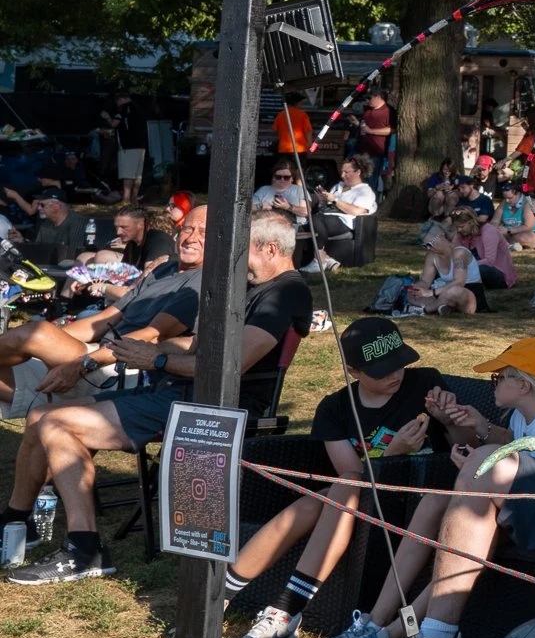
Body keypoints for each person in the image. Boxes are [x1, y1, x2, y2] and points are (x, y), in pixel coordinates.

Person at [5, 211, 308, 585]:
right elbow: (198, 346)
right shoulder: (245, 287)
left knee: (56, 422)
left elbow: (230, 366)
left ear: (271, 249)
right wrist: (151, 350)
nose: (229, 256)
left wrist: (158, 357)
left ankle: (85, 549)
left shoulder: (285, 294)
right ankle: (17, 522)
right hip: (180, 392)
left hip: (213, 410)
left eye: (238, 248)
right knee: (40, 418)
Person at [344, 337, 535, 638]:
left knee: (466, 516)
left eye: (498, 379)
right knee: (433, 501)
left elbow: (533, 486)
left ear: (522, 384)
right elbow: (512, 449)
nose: (491, 384)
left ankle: (400, 631)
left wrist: (476, 463)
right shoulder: (530, 416)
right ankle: (383, 621)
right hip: (530, 510)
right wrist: (479, 427)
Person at [217, 318, 462, 638]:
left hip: (410, 505)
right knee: (335, 491)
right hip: (354, 502)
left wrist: (448, 418)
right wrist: (392, 451)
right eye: (381, 371)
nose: (395, 375)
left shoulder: (425, 382)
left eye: (400, 364)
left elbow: (460, 448)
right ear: (353, 370)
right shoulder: (335, 408)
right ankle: (228, 602)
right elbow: (352, 473)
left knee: (330, 494)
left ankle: (268, 610)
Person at [0, 205, 205, 406]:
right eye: (188, 228)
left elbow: (152, 335)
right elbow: (103, 320)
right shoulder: (164, 269)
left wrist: (83, 363)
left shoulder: (200, 279)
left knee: (35, 334)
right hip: (100, 351)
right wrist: (59, 336)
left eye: (203, 232)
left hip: (123, 365)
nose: (192, 237)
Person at [407, 211, 494, 315]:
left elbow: (459, 282)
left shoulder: (460, 253)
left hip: (467, 294)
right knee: (411, 294)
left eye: (430, 244)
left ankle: (426, 309)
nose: (429, 248)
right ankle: (443, 307)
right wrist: (417, 289)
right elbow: (425, 281)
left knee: (453, 291)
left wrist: (431, 292)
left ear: (441, 236)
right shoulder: (432, 256)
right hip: (443, 292)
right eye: (425, 246)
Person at [310, 154, 379, 269]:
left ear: (358, 172)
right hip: (326, 217)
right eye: (342, 172)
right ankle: (324, 258)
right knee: (310, 219)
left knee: (316, 219)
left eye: (347, 172)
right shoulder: (338, 186)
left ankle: (319, 260)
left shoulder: (365, 191)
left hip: (345, 222)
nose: (342, 175)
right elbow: (328, 205)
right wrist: (323, 200)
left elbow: (357, 211)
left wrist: (335, 200)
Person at [105, 93, 147, 202]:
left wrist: (107, 117)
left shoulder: (123, 109)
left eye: (117, 101)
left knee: (128, 174)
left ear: (121, 99)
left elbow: (114, 123)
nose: (117, 104)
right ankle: (134, 198)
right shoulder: (139, 108)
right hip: (141, 145)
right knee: (138, 175)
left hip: (128, 146)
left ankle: (126, 199)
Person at [494, 184, 535, 253]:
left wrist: (508, 231)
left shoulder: (529, 203)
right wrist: (496, 228)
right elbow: (494, 221)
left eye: (510, 198)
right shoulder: (504, 203)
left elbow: (528, 226)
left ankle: (505, 244)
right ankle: (510, 245)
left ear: (518, 194)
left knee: (522, 237)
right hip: (511, 233)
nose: (507, 200)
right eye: (505, 198)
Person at [356, 91, 396, 167]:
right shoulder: (367, 110)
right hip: (361, 150)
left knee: (371, 177)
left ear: (378, 97)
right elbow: (363, 126)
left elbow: (392, 130)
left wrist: (371, 131)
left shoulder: (389, 111)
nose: (367, 100)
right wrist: (357, 124)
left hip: (376, 152)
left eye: (369, 98)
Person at [272, 93, 315, 161]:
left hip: (284, 149)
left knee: (286, 169)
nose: (301, 104)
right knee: (298, 169)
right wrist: (309, 143)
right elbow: (308, 131)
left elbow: (274, 130)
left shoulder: (281, 114)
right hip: (299, 149)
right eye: (300, 102)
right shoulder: (303, 115)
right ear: (296, 103)